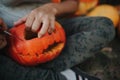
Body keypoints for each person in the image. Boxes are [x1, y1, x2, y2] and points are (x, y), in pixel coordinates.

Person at [0, 0, 115, 80]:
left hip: (51, 26)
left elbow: (73, 3)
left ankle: (31, 70)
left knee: (104, 26)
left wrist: (51, 8)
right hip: (7, 37)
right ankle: (64, 77)